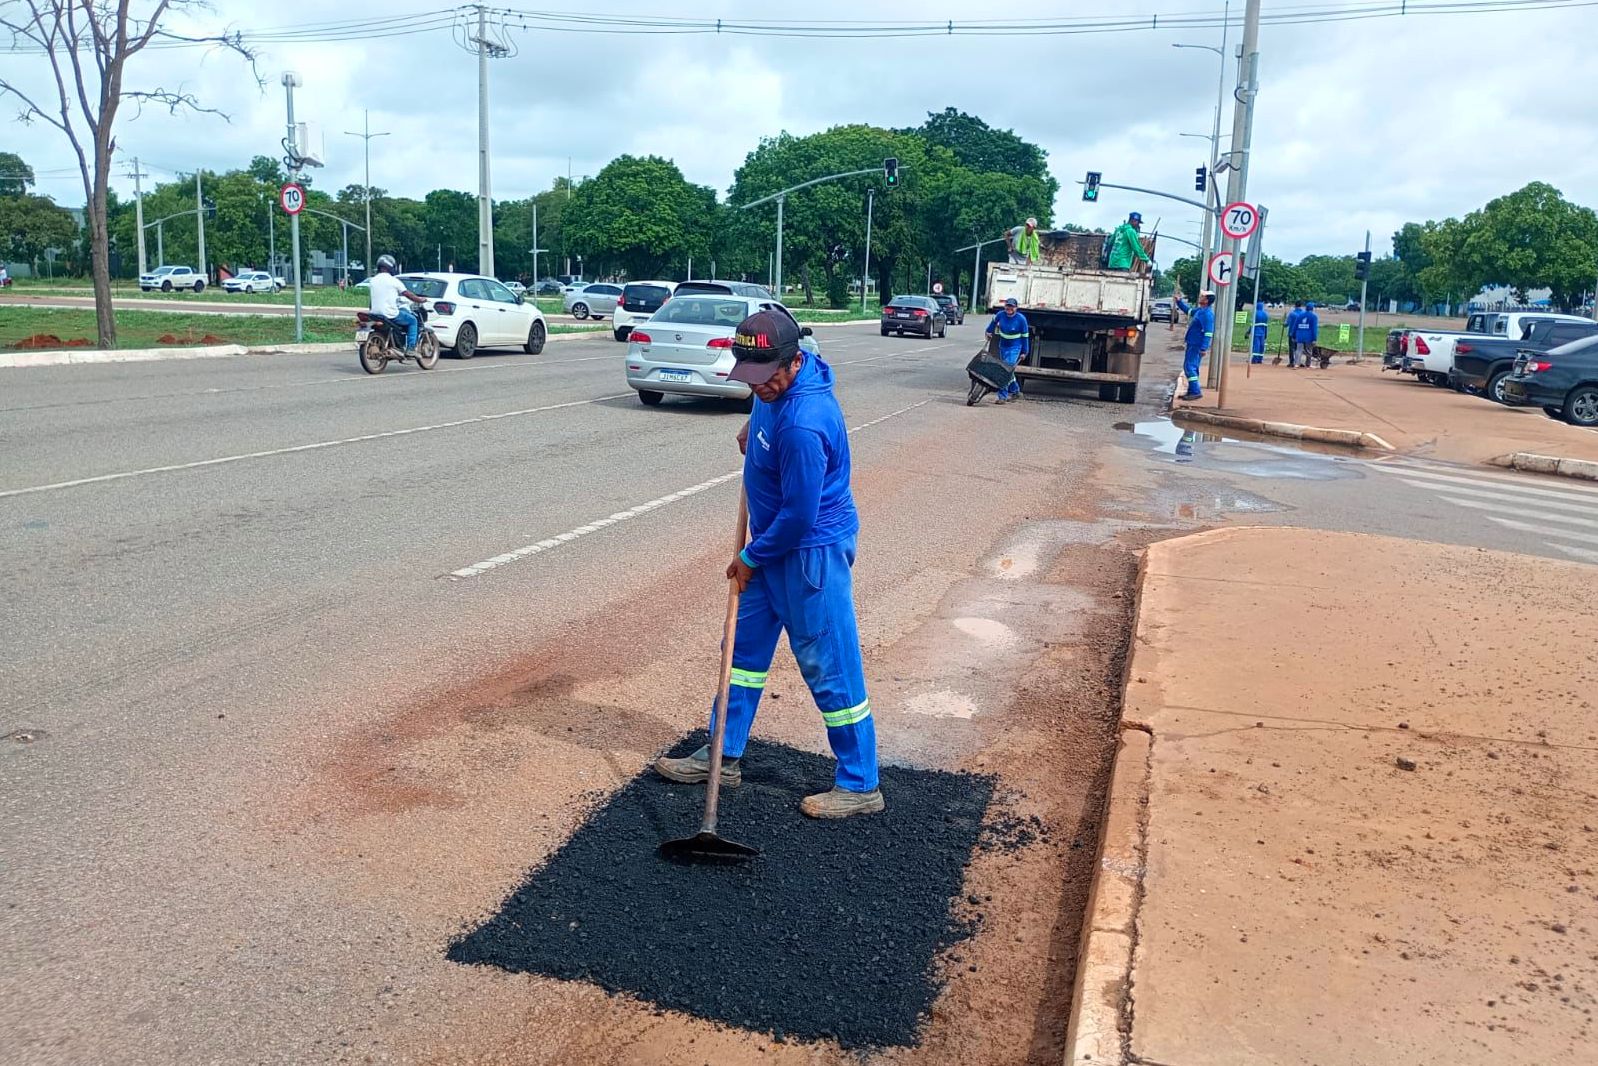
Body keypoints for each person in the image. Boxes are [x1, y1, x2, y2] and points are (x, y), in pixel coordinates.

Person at [655, 310, 882, 820]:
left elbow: (799, 516)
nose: (760, 387)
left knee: (829, 665)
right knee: (740, 650)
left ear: (793, 361)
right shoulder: (775, 388)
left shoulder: (805, 423)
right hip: (771, 548)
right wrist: (753, 427)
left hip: (807, 555)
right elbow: (767, 406)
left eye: (768, 379)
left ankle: (860, 782)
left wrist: (749, 558)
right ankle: (722, 755)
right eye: (751, 379)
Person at [366, 254, 426, 355]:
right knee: (412, 320)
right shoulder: (393, 281)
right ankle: (411, 348)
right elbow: (407, 294)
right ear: (390, 266)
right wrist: (419, 300)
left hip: (374, 313)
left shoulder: (373, 280)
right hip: (389, 313)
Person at [983, 296, 1030, 405]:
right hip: (1003, 346)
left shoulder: (1021, 319)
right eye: (1007, 306)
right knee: (1008, 370)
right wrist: (988, 331)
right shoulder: (1000, 315)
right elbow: (993, 323)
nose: (1009, 308)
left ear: (1016, 308)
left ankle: (1002, 397)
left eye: (1012, 307)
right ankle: (1016, 391)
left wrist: (1024, 351)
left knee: (1005, 370)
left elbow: (1025, 336)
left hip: (1015, 347)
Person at [1172, 286, 1214, 400]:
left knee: (1189, 367)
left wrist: (1204, 348)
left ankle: (1195, 391)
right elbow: (1188, 311)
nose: (1200, 297)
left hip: (1197, 345)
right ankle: (1191, 391)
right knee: (1192, 367)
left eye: (1202, 296)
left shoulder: (1207, 314)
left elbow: (1208, 333)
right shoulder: (1200, 311)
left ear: (1206, 300)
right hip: (1192, 343)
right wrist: (1179, 302)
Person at [1291, 301, 1320, 367]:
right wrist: (1314, 338)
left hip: (1299, 336)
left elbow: (1295, 326)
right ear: (1312, 308)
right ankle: (1308, 364)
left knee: (1298, 350)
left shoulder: (1300, 315)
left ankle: (1296, 364)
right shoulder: (1314, 317)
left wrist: (1293, 335)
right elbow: (1314, 329)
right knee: (1309, 350)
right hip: (1309, 336)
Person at [1284, 301, 1304, 366]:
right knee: (1299, 348)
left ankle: (1292, 362)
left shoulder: (1292, 314)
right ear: (1301, 305)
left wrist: (1284, 323)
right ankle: (1298, 361)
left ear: (1295, 305)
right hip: (1301, 334)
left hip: (1292, 333)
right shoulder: (1303, 314)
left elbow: (1286, 324)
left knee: (1292, 348)